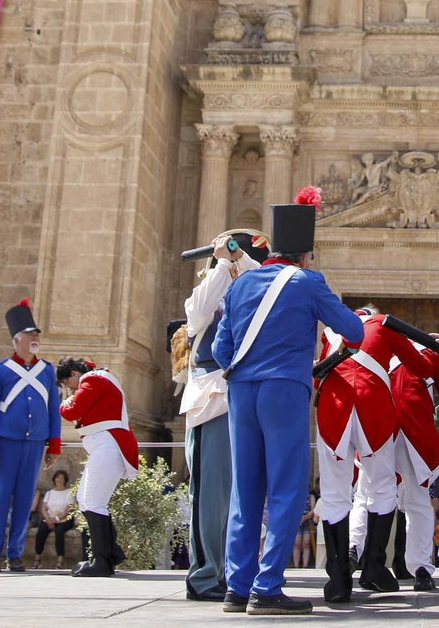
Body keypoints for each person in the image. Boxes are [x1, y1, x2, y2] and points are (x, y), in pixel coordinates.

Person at [212, 187, 367, 615]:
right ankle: (267, 587)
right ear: (305, 255)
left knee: (246, 491)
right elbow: (353, 331)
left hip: (242, 392)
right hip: (284, 389)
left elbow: (221, 349)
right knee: (286, 488)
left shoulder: (241, 285)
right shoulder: (307, 281)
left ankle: (236, 586)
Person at [315, 304, 432, 598]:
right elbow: (423, 368)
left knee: (334, 493)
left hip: (334, 408)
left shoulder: (331, 332)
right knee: (382, 487)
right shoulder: (386, 325)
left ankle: (338, 579)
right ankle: (375, 567)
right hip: (373, 407)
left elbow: (318, 378)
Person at [180, 229, 267, 600]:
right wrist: (221, 263)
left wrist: (239, 261)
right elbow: (198, 314)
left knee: (238, 493)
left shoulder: (253, 293)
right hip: (212, 398)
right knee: (212, 493)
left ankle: (229, 575)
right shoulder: (207, 295)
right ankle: (203, 577)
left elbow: (259, 285)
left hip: (244, 396)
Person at [0, 298, 63, 572]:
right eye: (30, 334)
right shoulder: (2, 370)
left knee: (25, 501)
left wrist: (54, 444)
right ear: (17, 340)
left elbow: (53, 408)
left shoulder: (47, 370)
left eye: (37, 333)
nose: (35, 337)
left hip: (34, 442)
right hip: (5, 443)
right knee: (0, 499)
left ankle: (14, 554)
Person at [373, 343, 439, 591]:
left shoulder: (379, 351)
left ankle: (358, 557)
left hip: (379, 433)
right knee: (417, 502)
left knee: (368, 497)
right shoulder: (428, 354)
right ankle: (420, 568)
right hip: (414, 435)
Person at [57, 356, 141, 577]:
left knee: (94, 502)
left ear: (74, 374)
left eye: (68, 384)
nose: (70, 389)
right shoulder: (95, 380)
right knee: (86, 500)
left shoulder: (93, 379)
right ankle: (108, 554)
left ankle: (101, 560)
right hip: (104, 445)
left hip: (108, 444)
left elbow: (71, 410)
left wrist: (64, 402)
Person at [34, 470, 77, 568]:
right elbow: (44, 509)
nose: (59, 480)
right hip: (49, 518)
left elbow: (68, 510)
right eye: (57, 477)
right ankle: (37, 559)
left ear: (65, 480)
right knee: (41, 531)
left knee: (60, 531)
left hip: (64, 519)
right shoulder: (49, 493)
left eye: (61, 478)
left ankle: (60, 560)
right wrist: (49, 520)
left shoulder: (69, 493)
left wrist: (57, 519)